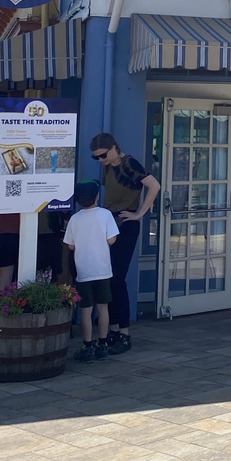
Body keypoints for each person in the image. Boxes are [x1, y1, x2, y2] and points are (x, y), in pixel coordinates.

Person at [89, 132, 160, 354]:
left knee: (117, 278)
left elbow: (154, 186)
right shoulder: (108, 166)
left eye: (102, 155)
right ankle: (113, 328)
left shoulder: (129, 163)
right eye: (96, 158)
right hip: (108, 222)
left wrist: (139, 213)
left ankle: (124, 333)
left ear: (112, 148)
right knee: (107, 277)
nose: (100, 160)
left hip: (125, 223)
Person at [61, 179, 119, 364]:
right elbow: (112, 240)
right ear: (97, 196)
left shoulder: (75, 219)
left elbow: (70, 245)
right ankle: (103, 343)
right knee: (103, 308)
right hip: (103, 269)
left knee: (85, 310)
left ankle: (87, 345)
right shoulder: (105, 215)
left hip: (84, 271)